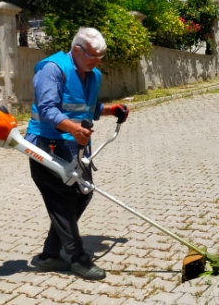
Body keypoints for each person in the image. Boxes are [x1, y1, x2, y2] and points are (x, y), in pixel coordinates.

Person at [25, 27, 129, 280]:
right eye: (92, 55)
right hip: (46, 143)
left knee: (82, 194)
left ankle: (50, 255)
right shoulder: (52, 69)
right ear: (76, 50)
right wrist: (73, 128)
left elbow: (89, 109)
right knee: (62, 200)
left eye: (100, 57)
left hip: (76, 146)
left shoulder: (93, 75)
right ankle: (78, 258)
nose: (96, 61)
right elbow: (48, 109)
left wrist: (112, 110)